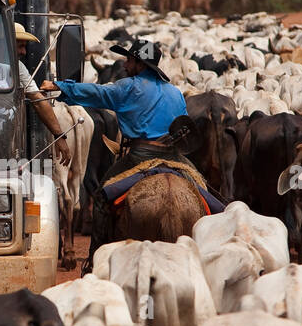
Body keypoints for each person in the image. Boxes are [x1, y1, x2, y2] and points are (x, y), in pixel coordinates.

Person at [40, 37, 192, 258]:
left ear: (140, 64)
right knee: (203, 188)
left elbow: (96, 93)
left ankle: (93, 259)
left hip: (139, 156)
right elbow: (185, 125)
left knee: (102, 197)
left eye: (129, 59)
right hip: (173, 156)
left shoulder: (128, 87)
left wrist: (59, 85)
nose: (124, 64)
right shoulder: (175, 92)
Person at [14, 23, 71, 167]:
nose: (24, 52)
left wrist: (59, 135)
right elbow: (38, 100)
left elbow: (38, 100)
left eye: (24, 47)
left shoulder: (18, 68)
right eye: (20, 46)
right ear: (7, 44)